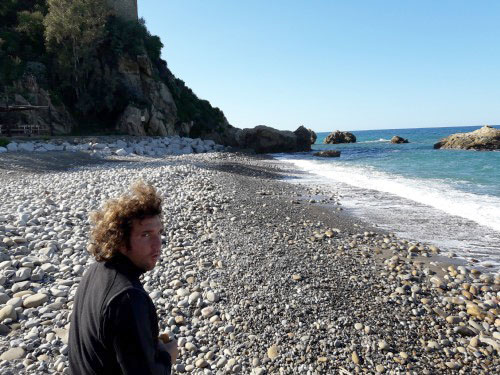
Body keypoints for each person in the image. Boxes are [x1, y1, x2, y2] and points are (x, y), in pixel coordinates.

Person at [68, 182, 178, 374]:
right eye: (145, 235)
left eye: (159, 232)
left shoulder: (96, 270)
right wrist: (168, 356)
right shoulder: (128, 298)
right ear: (120, 241)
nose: (157, 244)